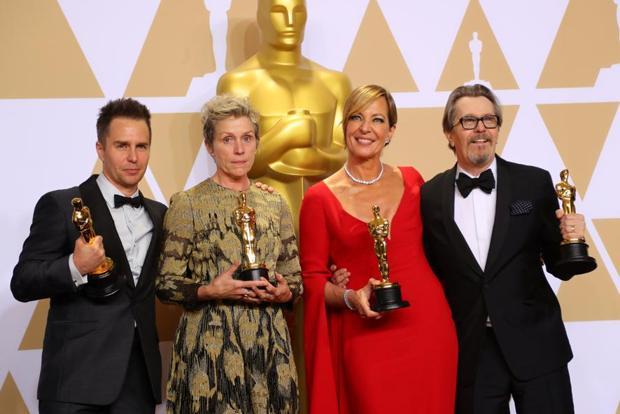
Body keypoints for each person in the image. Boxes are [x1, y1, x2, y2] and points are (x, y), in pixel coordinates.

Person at [420, 84, 587, 413]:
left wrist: (573, 240)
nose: (481, 128)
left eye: (489, 119)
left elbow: (559, 264)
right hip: (473, 352)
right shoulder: (429, 197)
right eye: (468, 121)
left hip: (537, 344)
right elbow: (426, 271)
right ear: (448, 133)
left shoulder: (534, 183)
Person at [299, 84, 458, 414]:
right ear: (344, 127)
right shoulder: (319, 198)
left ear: (391, 131)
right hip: (364, 332)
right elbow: (311, 280)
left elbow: (450, 245)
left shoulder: (414, 181)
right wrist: (347, 296)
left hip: (427, 327)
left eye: (377, 119)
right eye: (356, 117)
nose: (365, 128)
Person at [11, 98, 166, 413]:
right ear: (100, 149)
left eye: (142, 146)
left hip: (138, 385)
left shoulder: (161, 214)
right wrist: (75, 266)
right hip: (75, 383)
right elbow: (23, 282)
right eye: (122, 145)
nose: (134, 157)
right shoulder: (61, 204)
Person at [156, 95, 302, 414]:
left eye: (246, 138)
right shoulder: (188, 203)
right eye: (228, 139)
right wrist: (209, 290)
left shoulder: (274, 203)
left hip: (269, 349)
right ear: (210, 146)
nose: (239, 149)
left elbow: (295, 282)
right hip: (209, 350)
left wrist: (283, 291)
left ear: (256, 142)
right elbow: (166, 284)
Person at [217, 0, 351, 221]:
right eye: (279, 12)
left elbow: (349, 157)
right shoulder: (237, 84)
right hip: (261, 221)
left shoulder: (335, 82)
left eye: (298, 12)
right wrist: (285, 136)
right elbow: (230, 161)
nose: (290, 22)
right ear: (261, 17)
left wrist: (313, 158)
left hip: (330, 219)